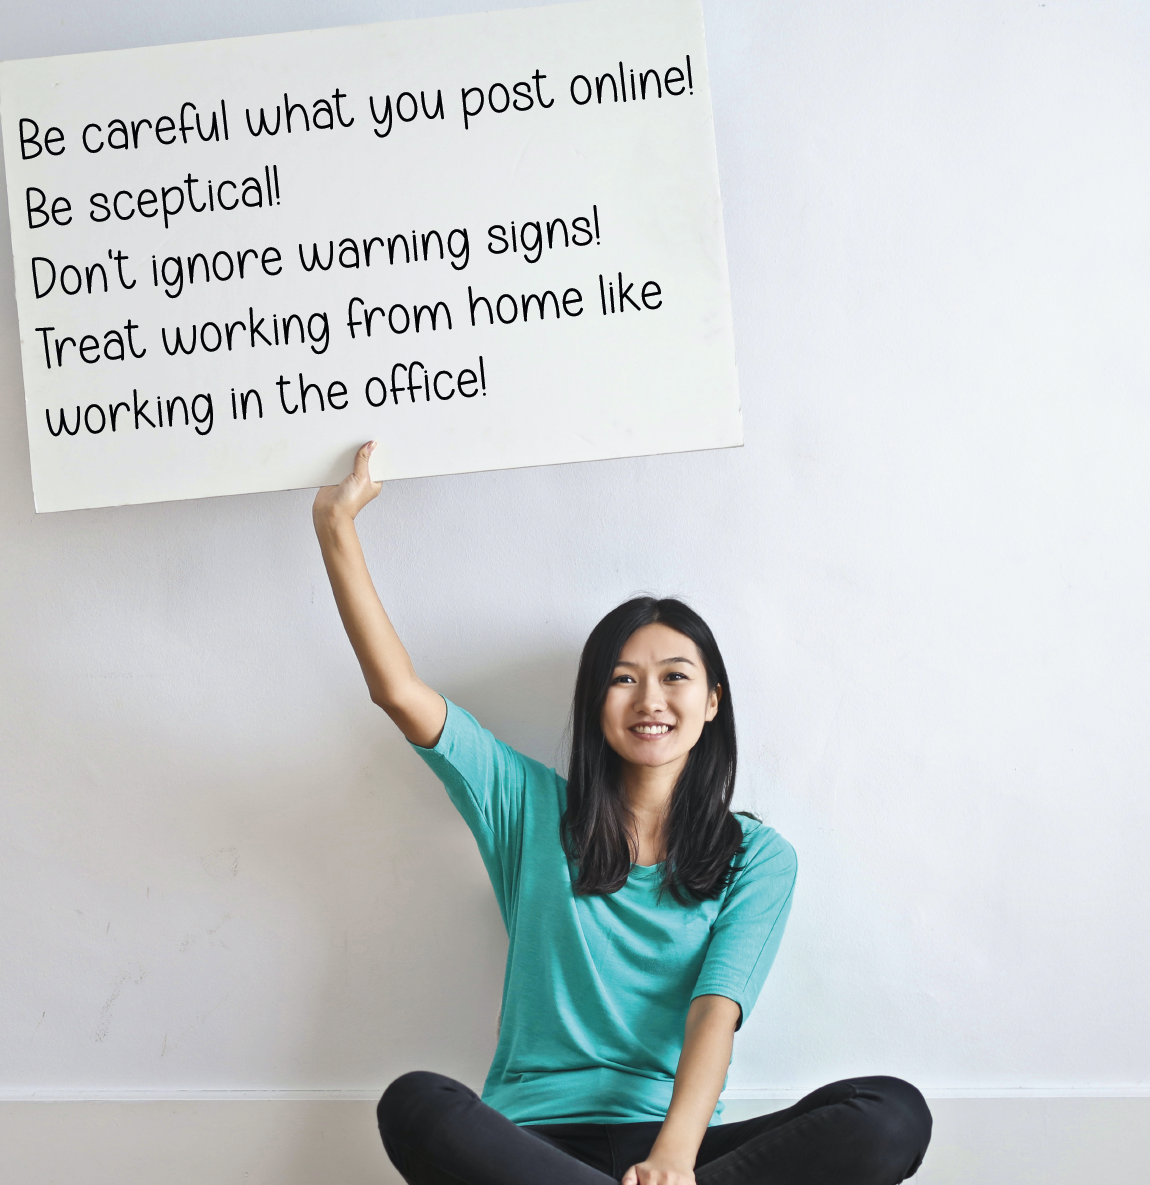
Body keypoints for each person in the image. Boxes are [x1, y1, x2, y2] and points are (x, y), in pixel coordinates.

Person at [313, 442, 932, 1185]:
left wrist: (672, 1158)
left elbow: (715, 1012)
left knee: (891, 1112)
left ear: (710, 703)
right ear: (594, 702)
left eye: (675, 677)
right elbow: (401, 694)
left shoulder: (757, 857)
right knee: (417, 1104)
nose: (649, 701)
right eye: (622, 679)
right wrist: (335, 526)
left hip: (683, 1146)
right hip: (534, 1145)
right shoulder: (527, 806)